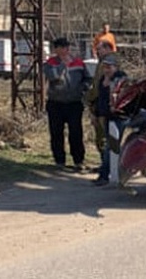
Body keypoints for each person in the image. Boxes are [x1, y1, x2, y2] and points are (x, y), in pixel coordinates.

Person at [44, 37, 91, 171]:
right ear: (56, 49)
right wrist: (63, 65)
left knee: (76, 132)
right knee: (56, 133)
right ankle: (59, 160)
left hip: (74, 103)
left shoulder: (78, 63)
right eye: (62, 48)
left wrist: (83, 88)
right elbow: (53, 76)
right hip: (56, 103)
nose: (65, 50)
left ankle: (78, 160)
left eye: (67, 47)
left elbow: (87, 78)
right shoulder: (50, 63)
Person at [93, 54, 127, 186]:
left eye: (109, 67)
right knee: (110, 146)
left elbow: (118, 96)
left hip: (119, 117)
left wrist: (109, 82)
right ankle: (110, 173)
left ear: (116, 67)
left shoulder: (121, 79)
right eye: (105, 67)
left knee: (111, 146)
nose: (106, 69)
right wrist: (96, 114)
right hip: (106, 117)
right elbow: (100, 99)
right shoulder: (102, 79)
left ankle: (105, 175)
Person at [84, 41, 116, 165]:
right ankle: (106, 165)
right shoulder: (104, 62)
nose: (97, 52)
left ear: (108, 48)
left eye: (99, 49)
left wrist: (89, 99)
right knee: (104, 137)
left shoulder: (107, 62)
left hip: (104, 105)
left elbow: (98, 86)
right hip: (103, 104)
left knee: (103, 137)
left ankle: (106, 166)